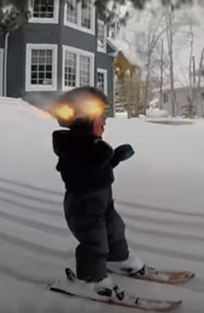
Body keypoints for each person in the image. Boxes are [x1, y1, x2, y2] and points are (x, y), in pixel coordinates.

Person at [51, 87, 144, 299]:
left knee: (115, 229)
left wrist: (114, 159)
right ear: (84, 122)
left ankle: (118, 259)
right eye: (100, 115)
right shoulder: (72, 148)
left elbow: (97, 168)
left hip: (103, 199)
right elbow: (80, 171)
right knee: (95, 241)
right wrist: (101, 156)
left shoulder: (91, 146)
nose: (105, 120)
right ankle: (90, 280)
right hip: (84, 205)